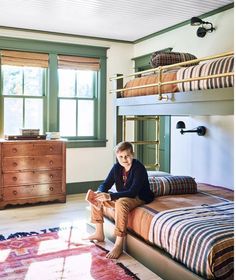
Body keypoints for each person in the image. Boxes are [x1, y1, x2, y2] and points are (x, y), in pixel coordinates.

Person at [84, 141, 154, 259]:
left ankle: (119, 244)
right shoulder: (117, 167)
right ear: (117, 157)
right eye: (120, 157)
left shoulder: (139, 168)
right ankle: (99, 233)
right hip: (122, 195)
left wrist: (111, 196)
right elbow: (105, 184)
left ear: (133, 154)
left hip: (139, 196)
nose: (124, 159)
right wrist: (100, 192)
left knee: (121, 203)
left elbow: (133, 192)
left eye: (127, 156)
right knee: (96, 196)